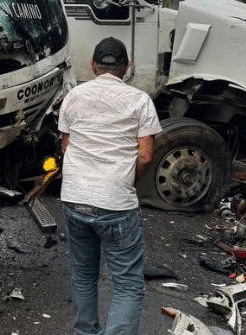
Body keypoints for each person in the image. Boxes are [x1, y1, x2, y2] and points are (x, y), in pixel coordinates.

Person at [58, 36, 162, 335]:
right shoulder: (140, 101)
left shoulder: (73, 97)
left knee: (83, 275)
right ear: (126, 67)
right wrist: (127, 180)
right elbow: (145, 155)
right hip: (115, 203)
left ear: (93, 66)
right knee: (128, 283)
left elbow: (67, 147)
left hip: (74, 199)